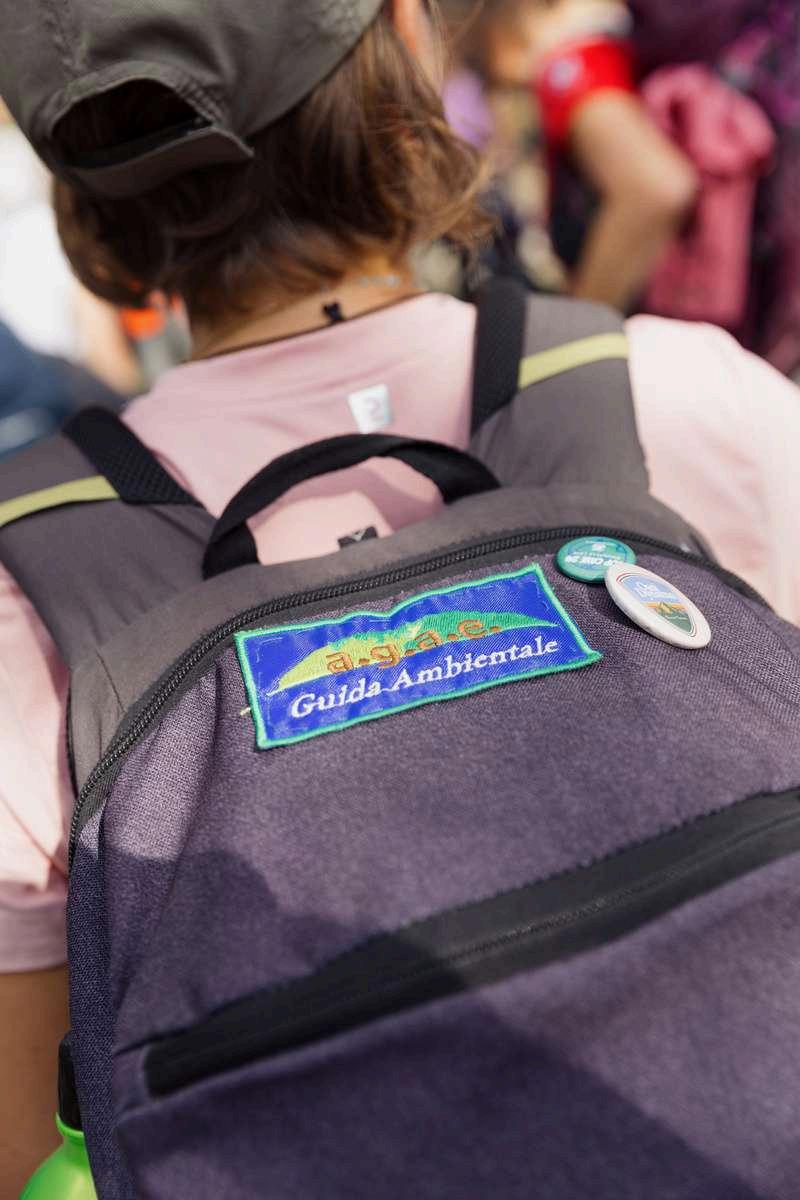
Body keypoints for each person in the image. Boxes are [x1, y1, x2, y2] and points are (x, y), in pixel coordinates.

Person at [0, 0, 800, 1192]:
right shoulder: (677, 403)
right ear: (405, 55)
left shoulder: (31, 585)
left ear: (81, 180)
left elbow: (29, 1144)